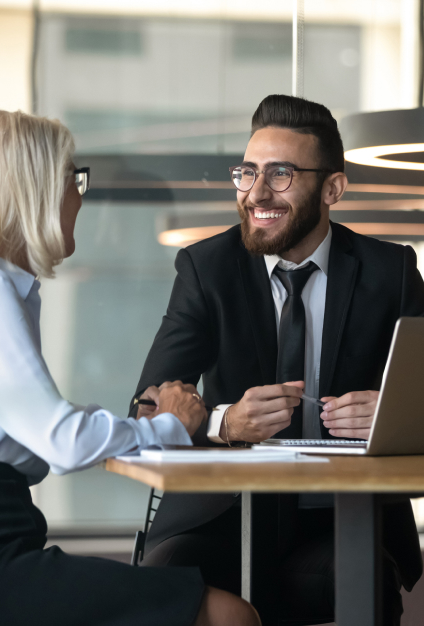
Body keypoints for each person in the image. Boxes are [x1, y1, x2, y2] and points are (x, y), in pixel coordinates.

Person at [0, 110, 260, 626]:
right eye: (72, 179)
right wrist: (166, 426)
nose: (80, 196)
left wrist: (128, 427)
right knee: (228, 616)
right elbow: (62, 444)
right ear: (32, 188)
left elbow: (36, 449)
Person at [131, 95, 424, 626]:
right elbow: (146, 406)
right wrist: (224, 423)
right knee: (167, 580)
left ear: (332, 188)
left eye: (281, 174)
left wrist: (393, 416)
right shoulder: (207, 268)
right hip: (220, 520)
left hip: (340, 521)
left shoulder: (393, 271)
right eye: (247, 172)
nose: (257, 193)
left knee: (367, 579)